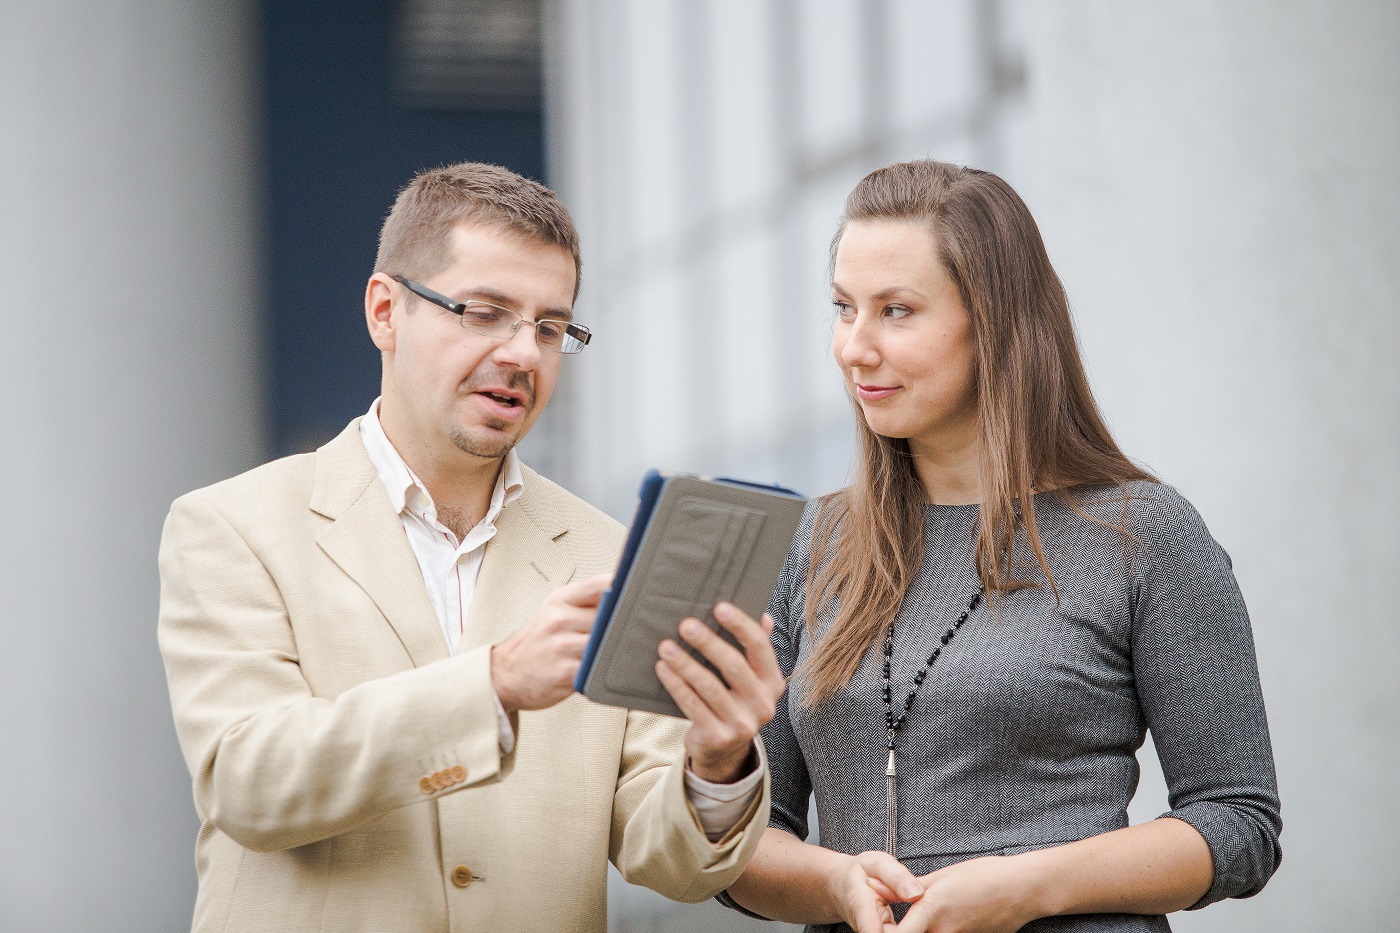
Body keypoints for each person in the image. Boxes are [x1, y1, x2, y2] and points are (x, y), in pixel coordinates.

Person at [158, 162, 786, 933]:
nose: (525, 353)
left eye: (551, 327)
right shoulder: (232, 525)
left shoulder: (610, 553)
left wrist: (716, 760)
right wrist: (493, 683)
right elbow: (250, 782)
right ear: (385, 311)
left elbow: (674, 864)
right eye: (485, 312)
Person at [721, 160, 1282, 933]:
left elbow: (1239, 823)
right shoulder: (810, 544)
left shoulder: (1142, 534)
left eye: (897, 311)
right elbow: (743, 841)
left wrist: (1027, 887)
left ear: (996, 320)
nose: (855, 346)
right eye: (843, 308)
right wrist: (835, 882)